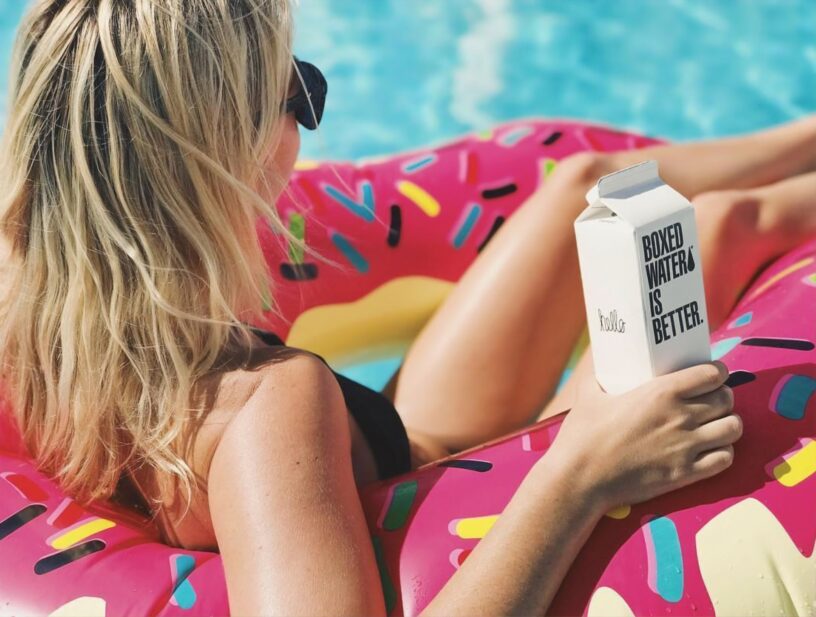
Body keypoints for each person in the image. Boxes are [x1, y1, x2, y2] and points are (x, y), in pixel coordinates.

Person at [0, 1, 814, 615]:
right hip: (451, 472)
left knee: (582, 185)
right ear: (218, 150)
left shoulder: (29, 290)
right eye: (298, 94)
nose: (305, 129)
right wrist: (579, 473)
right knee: (722, 227)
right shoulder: (259, 408)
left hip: (394, 429)